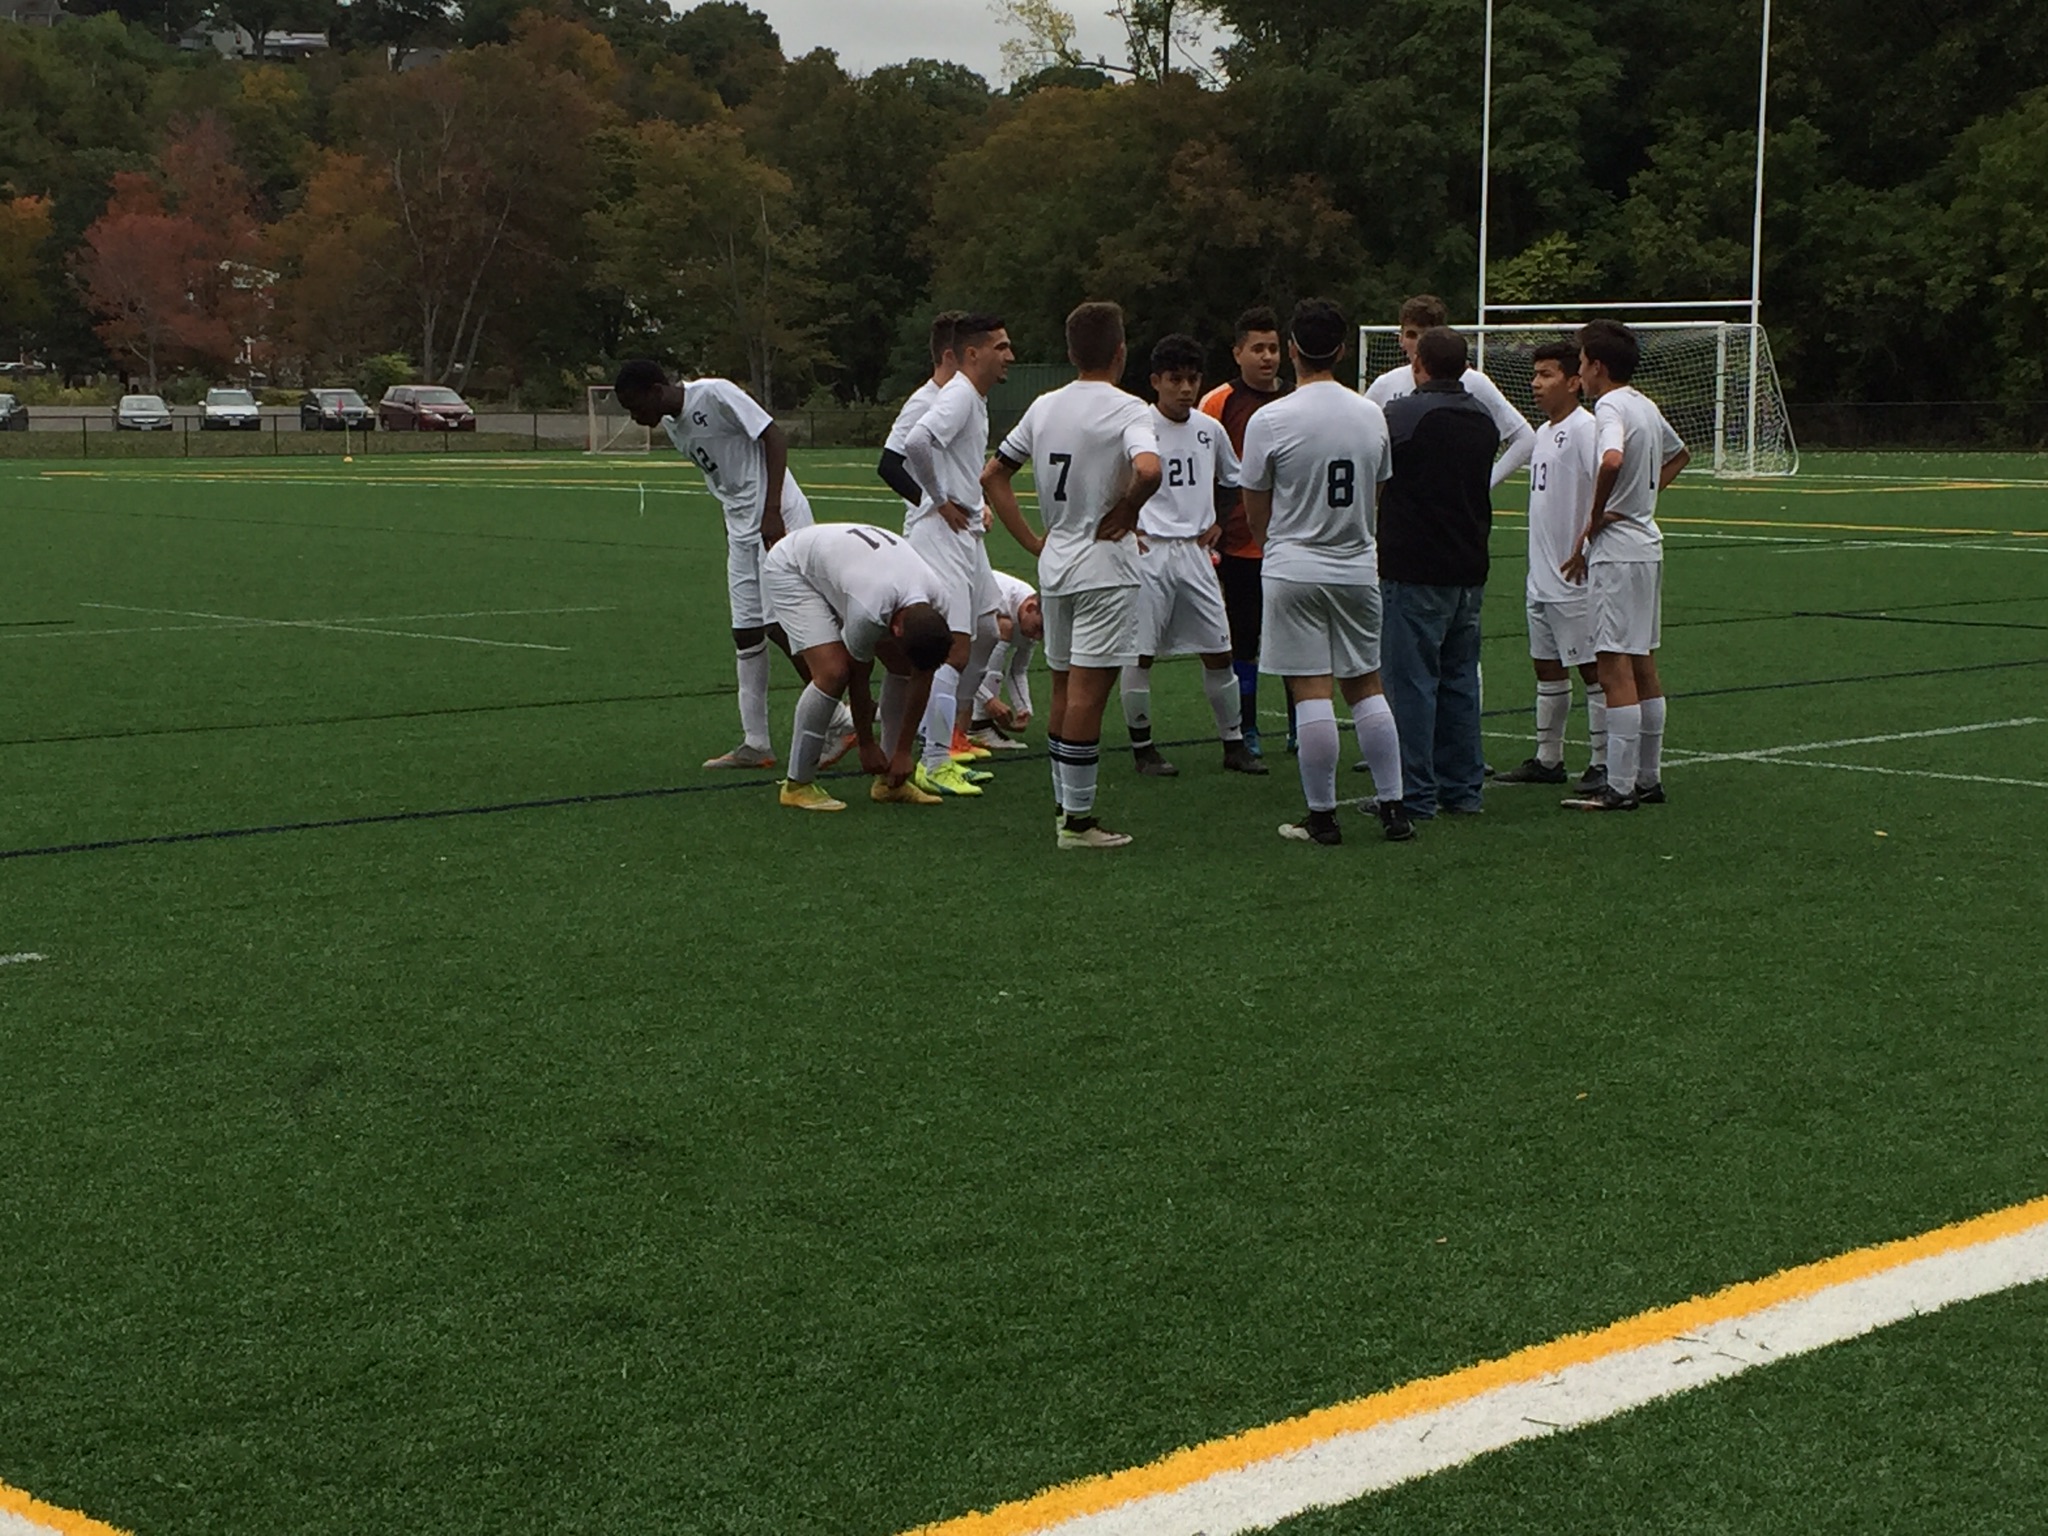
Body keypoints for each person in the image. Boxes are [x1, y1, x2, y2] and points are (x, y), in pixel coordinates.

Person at [984, 300, 1162, 850]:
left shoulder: (1044, 407)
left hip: (1056, 563)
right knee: (1088, 693)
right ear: (1120, 351)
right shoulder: (1130, 408)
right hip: (1104, 567)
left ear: (1069, 352)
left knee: (1063, 688)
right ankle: (1079, 824)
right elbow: (1150, 469)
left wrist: (1034, 541)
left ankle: (1065, 807)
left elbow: (994, 475)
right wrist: (1129, 510)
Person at [613, 359, 850, 771]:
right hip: (740, 530)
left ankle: (840, 719)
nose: (636, 419)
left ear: (656, 390)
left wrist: (772, 510)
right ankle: (756, 743)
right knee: (745, 632)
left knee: (782, 626)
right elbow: (723, 478)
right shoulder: (673, 425)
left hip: (778, 519)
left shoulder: (715, 393)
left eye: (636, 407)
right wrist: (733, 525)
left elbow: (774, 438)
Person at [1239, 297, 1410, 846]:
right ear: (1341, 349)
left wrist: (1275, 546)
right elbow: (1378, 490)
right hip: (1357, 564)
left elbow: (1254, 501)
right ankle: (1394, 809)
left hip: (1294, 566)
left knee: (1311, 690)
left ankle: (1323, 817)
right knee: (1366, 685)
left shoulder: (1271, 418)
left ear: (1291, 350)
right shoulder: (1370, 413)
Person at [1121, 333, 1267, 778]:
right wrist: (1128, 526)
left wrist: (1220, 521)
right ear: (1155, 382)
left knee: (1219, 649)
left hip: (1196, 554)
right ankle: (1143, 747)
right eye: (1175, 380)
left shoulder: (1209, 428)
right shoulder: (1138, 427)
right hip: (1150, 552)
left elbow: (1232, 478)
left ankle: (1234, 743)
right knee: (1140, 652)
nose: (1185, 389)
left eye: (1192, 379)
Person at [1561, 320, 1690, 811]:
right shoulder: (1646, 404)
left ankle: (1618, 787)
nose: (1580, 369)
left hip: (1617, 549)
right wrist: (1642, 498)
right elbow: (1680, 455)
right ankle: (1648, 778)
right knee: (1643, 662)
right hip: (1647, 544)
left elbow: (1611, 459)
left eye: (1581, 360)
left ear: (1597, 365)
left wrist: (1597, 516)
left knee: (1613, 665)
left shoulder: (1611, 405)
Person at [1376, 327, 1501, 820]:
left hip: (1415, 565)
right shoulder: (1482, 418)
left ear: (1419, 366)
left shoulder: (1405, 414)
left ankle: (1413, 792)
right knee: (1459, 681)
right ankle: (1464, 787)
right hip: (1468, 566)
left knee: (1411, 683)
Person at [761, 523, 955, 810]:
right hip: (792, 567)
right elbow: (858, 677)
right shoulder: (870, 612)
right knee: (833, 672)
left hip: (854, 569)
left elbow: (922, 674)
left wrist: (902, 752)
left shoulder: (938, 602)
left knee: (902, 666)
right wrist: (865, 744)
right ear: (897, 628)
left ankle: (891, 783)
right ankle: (797, 784)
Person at [899, 313, 1014, 799]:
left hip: (964, 533)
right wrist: (940, 498)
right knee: (955, 648)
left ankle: (945, 747)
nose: (1010, 355)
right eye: (1002, 346)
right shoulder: (962, 394)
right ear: (973, 354)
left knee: (987, 629)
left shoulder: (974, 398)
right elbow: (915, 442)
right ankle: (934, 759)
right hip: (941, 533)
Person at [1496, 342, 1608, 790]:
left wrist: (1586, 544)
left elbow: (1607, 489)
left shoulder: (1586, 430)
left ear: (1573, 381)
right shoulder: (1543, 432)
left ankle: (1602, 760)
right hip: (1539, 577)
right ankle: (1549, 758)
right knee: (1546, 665)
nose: (1536, 384)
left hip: (1572, 576)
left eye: (1546, 375)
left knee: (1593, 669)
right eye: (1536, 375)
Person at [1199, 306, 1290, 755]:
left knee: (1295, 639)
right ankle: (1247, 727)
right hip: (1238, 545)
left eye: (1273, 348)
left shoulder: (1294, 400)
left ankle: (1297, 727)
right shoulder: (1217, 403)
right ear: (1237, 353)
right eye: (1257, 348)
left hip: (1289, 543)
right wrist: (1213, 520)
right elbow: (1204, 470)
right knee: (1244, 640)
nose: (1267, 357)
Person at [1363, 294, 1535, 489]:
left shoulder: (1474, 382)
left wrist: (1485, 483)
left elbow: (1525, 439)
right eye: (1411, 335)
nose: (1419, 344)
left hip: (1456, 508)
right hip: (1403, 508)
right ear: (1401, 338)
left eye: (1425, 335)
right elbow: (1359, 439)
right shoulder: (1385, 384)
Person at [876, 310, 966, 514]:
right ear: (949, 357)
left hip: (961, 529)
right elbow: (889, 466)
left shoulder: (964, 401)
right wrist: (932, 504)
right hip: (931, 531)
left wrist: (982, 502)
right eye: (968, 353)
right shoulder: (923, 403)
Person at [967, 570, 1042, 751]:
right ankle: (979, 724)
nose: (1038, 637)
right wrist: (989, 700)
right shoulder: (999, 599)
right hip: (956, 606)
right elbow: (958, 662)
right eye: (1038, 628)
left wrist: (1023, 708)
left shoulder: (1032, 615)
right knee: (1003, 627)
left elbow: (1018, 671)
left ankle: (977, 724)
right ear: (1030, 608)